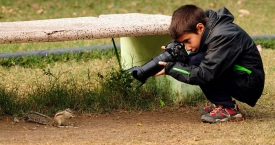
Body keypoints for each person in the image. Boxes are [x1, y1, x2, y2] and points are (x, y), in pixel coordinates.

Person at [155, 4, 265, 123]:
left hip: (248, 83)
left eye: (187, 41)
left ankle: (228, 109)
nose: (188, 47)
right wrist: (180, 56)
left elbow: (205, 73)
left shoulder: (223, 35)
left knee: (200, 65)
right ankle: (221, 103)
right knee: (195, 60)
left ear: (200, 27)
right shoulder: (210, 29)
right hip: (240, 75)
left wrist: (171, 68)